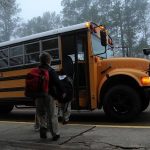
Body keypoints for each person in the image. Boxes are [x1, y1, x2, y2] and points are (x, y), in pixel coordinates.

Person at [35, 52, 65, 140]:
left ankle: (43, 130)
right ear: (49, 60)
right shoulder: (50, 70)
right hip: (48, 96)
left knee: (41, 114)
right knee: (52, 115)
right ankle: (55, 134)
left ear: (40, 61)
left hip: (38, 97)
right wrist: (63, 92)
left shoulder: (36, 71)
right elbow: (58, 82)